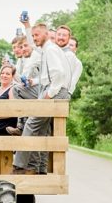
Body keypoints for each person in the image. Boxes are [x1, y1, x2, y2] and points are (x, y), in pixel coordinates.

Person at [12, 22, 71, 174]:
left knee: (31, 124)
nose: (34, 38)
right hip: (49, 89)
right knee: (41, 131)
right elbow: (48, 75)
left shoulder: (50, 49)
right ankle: (40, 169)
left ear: (46, 34)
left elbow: (58, 74)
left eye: (37, 35)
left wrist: (48, 94)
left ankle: (19, 165)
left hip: (54, 92)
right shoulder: (46, 50)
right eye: (33, 36)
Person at [55, 25, 83, 94]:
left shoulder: (78, 63)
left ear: (76, 49)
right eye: (68, 44)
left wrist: (68, 92)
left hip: (65, 92)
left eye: (72, 45)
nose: (69, 47)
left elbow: (73, 79)